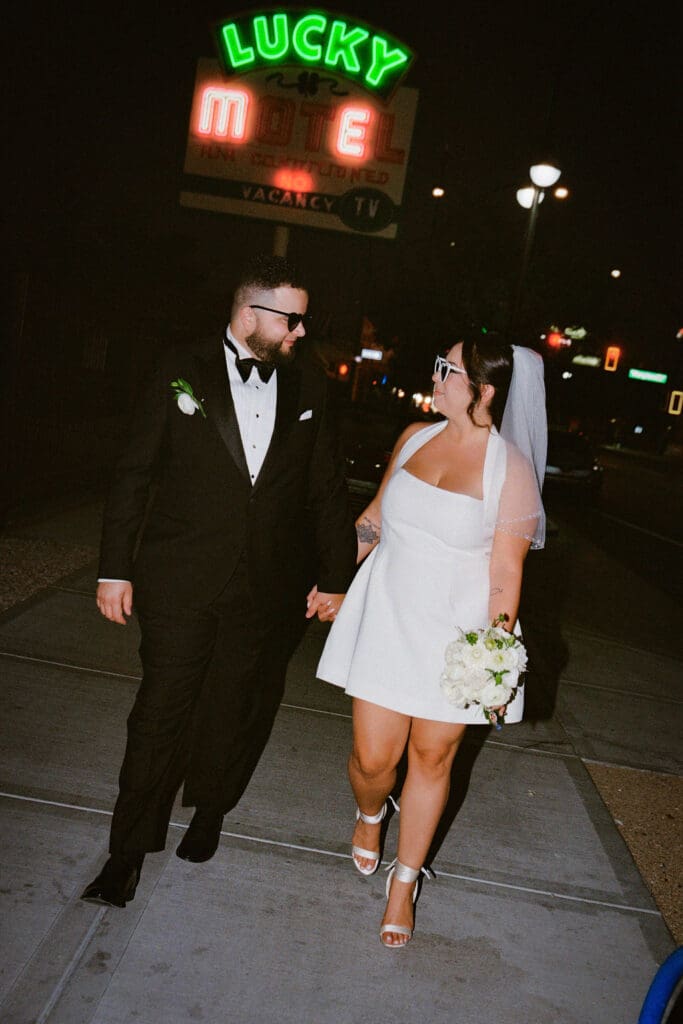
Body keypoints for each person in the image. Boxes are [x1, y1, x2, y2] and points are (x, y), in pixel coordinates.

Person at [82, 253, 356, 908]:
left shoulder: (309, 387)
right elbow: (134, 474)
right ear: (250, 312)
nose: (300, 333)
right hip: (181, 577)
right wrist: (114, 567)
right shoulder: (180, 367)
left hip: (269, 587)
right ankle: (126, 852)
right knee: (160, 711)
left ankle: (209, 809)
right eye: (292, 319)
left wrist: (335, 576)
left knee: (236, 710)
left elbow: (325, 492)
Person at [316, 334, 546, 948]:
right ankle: (371, 814)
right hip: (389, 616)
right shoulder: (413, 437)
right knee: (372, 760)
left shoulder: (511, 470)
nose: (437, 374)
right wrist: (336, 579)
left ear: (485, 390)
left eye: (448, 368)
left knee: (431, 760)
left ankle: (405, 883)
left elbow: (505, 574)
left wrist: (495, 662)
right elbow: (375, 516)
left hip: (457, 635)